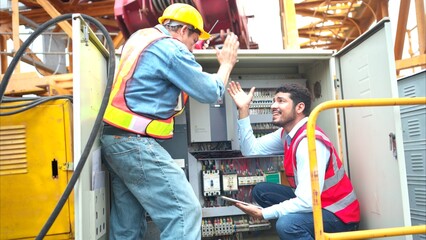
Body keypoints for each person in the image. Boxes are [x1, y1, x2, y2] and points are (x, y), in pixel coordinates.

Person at [100, 3, 239, 240]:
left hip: (114, 141)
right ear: (183, 30)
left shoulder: (140, 38)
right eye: (194, 41)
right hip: (135, 144)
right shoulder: (172, 48)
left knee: (128, 225)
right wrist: (226, 64)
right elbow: (210, 92)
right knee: (184, 212)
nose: (192, 48)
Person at [227, 81, 360, 239]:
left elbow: (307, 202)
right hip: (318, 204)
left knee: (287, 224)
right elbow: (251, 149)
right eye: (274, 100)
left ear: (299, 108)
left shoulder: (309, 142)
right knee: (261, 191)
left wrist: (264, 213)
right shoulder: (287, 134)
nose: (273, 106)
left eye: (281, 101)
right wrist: (243, 109)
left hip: (339, 216)